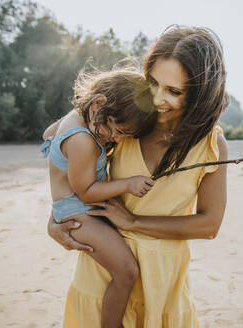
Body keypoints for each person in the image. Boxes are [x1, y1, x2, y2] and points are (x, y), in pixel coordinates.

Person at [47, 26, 229, 327]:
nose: (158, 99)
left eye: (174, 91)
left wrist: (134, 222)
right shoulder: (123, 128)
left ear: (200, 95)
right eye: (153, 84)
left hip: (163, 284)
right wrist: (54, 222)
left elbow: (209, 224)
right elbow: (69, 168)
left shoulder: (211, 145)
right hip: (101, 281)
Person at [41, 68, 157, 328]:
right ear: (99, 103)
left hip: (71, 207)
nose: (115, 138)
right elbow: (86, 191)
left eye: (123, 136)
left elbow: (47, 135)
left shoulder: (75, 117)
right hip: (78, 213)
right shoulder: (83, 140)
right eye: (115, 129)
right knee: (127, 271)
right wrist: (128, 184)